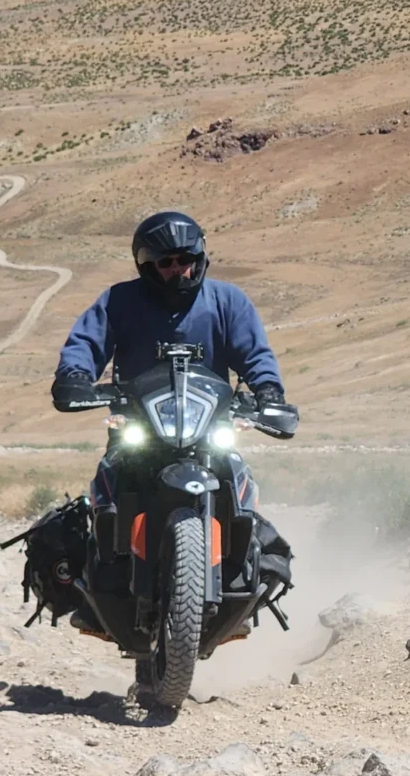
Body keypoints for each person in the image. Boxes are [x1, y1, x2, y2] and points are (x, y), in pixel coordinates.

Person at [49, 210, 291, 635]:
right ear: (147, 265)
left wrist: (268, 391)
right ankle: (97, 593)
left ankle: (240, 587)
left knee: (240, 490)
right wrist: (75, 375)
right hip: (140, 425)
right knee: (107, 488)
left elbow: (255, 355)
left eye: (186, 259)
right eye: (167, 262)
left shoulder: (227, 301)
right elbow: (86, 342)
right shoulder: (119, 301)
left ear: (200, 257)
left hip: (206, 427)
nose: (179, 269)